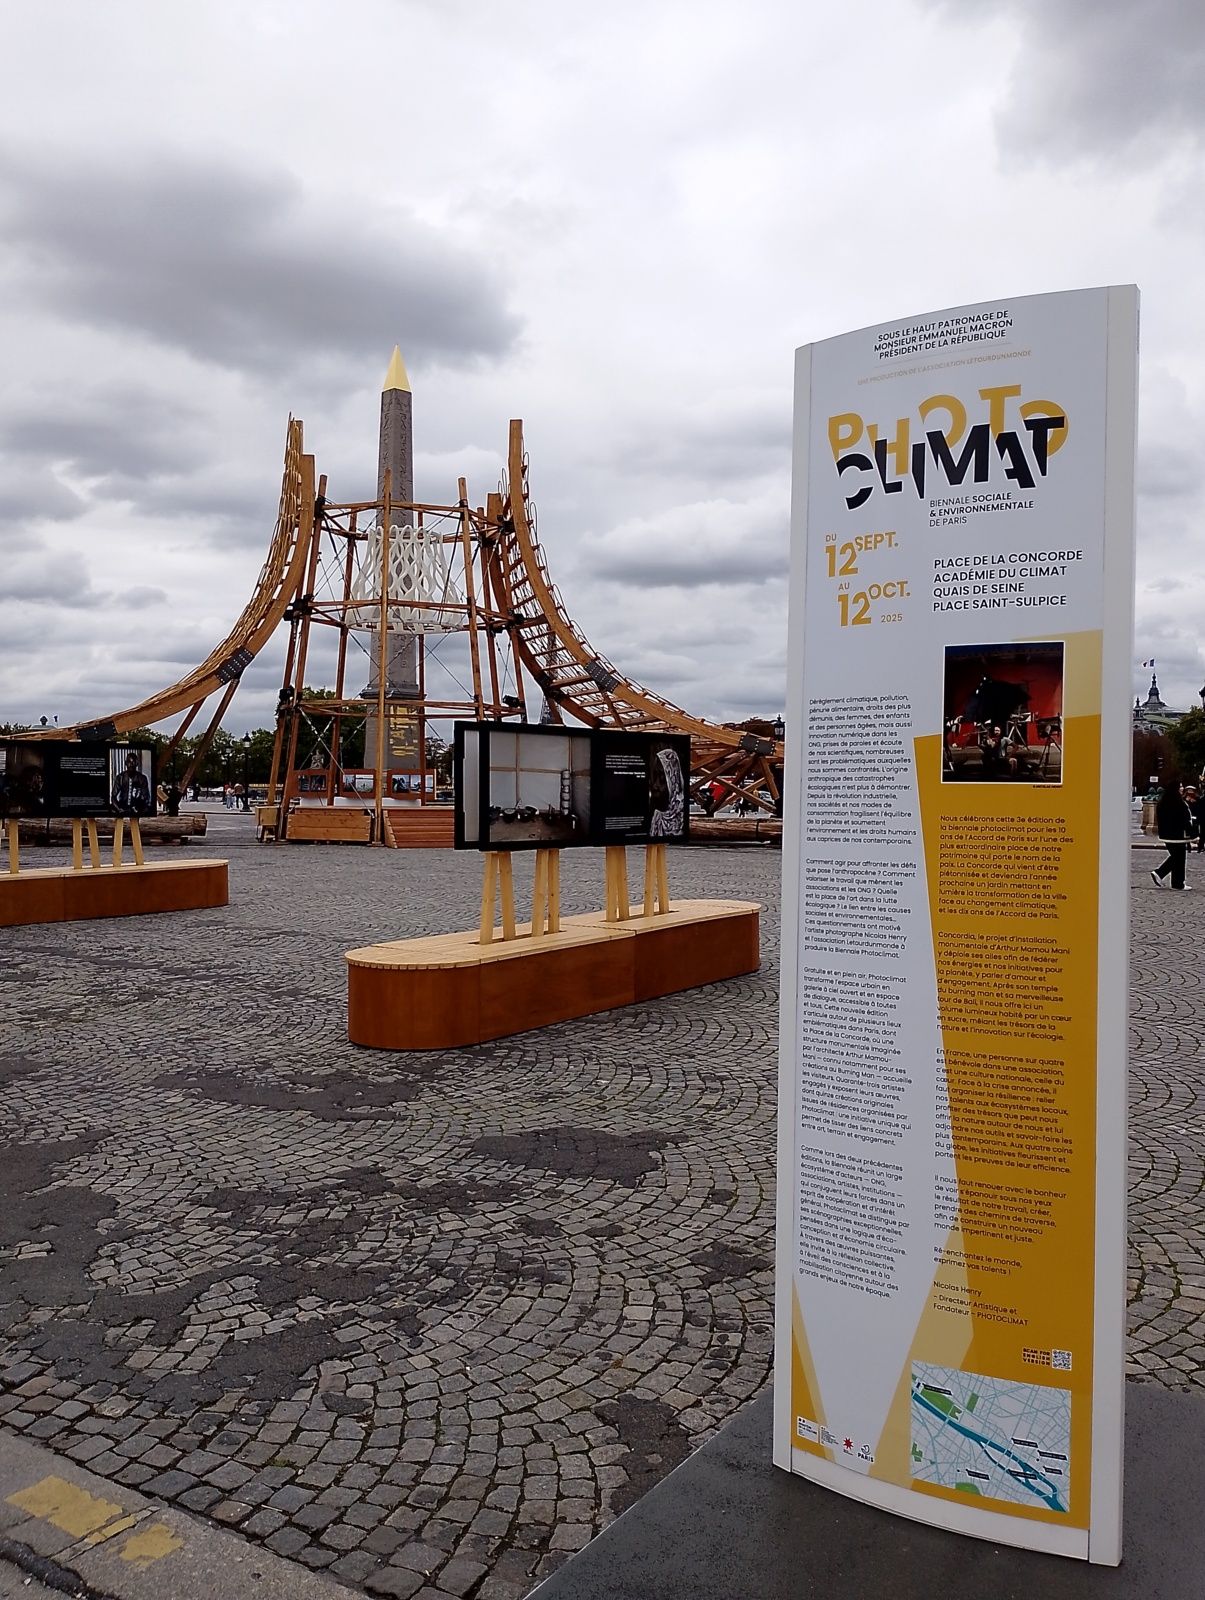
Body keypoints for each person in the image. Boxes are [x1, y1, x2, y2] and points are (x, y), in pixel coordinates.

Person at [1152, 780, 1193, 891]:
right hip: (1178, 835)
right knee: (1179, 858)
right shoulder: (1178, 802)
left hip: (1166, 835)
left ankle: (1176, 882)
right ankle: (1161, 874)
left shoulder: (1163, 802)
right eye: (1180, 786)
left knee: (1176, 857)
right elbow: (1185, 820)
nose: (1182, 788)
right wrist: (1193, 834)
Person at [650, 748, 685, 838]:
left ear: (673, 781)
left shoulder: (682, 821)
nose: (655, 786)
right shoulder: (657, 817)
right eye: (655, 777)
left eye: (662, 778)